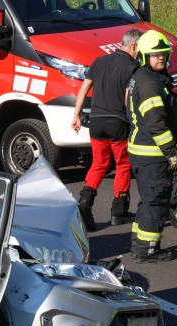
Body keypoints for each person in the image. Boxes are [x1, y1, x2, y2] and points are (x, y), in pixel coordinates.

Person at [71, 29, 143, 231]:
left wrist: (76, 115)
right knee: (123, 164)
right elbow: (128, 98)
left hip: (96, 122)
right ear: (134, 46)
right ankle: (119, 212)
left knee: (99, 163)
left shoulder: (99, 61)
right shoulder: (133, 67)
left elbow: (84, 88)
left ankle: (85, 203)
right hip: (117, 122)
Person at [126, 30, 177, 263]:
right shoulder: (149, 83)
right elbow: (156, 123)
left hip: (143, 152)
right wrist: (172, 152)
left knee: (148, 201)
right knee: (156, 203)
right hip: (153, 153)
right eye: (156, 55)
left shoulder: (143, 76)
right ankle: (147, 252)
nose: (161, 59)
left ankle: (140, 246)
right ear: (145, 56)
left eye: (164, 55)